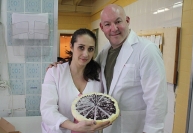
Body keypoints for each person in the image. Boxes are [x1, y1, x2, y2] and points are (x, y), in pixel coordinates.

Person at [48, 4, 168, 133]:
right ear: (102, 27)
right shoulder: (105, 51)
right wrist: (61, 65)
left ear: (127, 21)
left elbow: (157, 98)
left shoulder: (147, 50)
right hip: (107, 125)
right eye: (107, 24)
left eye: (118, 21)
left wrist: (152, 130)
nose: (114, 28)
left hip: (135, 126)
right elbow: (87, 66)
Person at [40, 28, 110, 133]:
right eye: (81, 47)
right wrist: (73, 126)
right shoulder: (55, 73)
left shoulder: (99, 74)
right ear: (71, 47)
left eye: (90, 49)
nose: (86, 54)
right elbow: (47, 110)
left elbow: (102, 105)